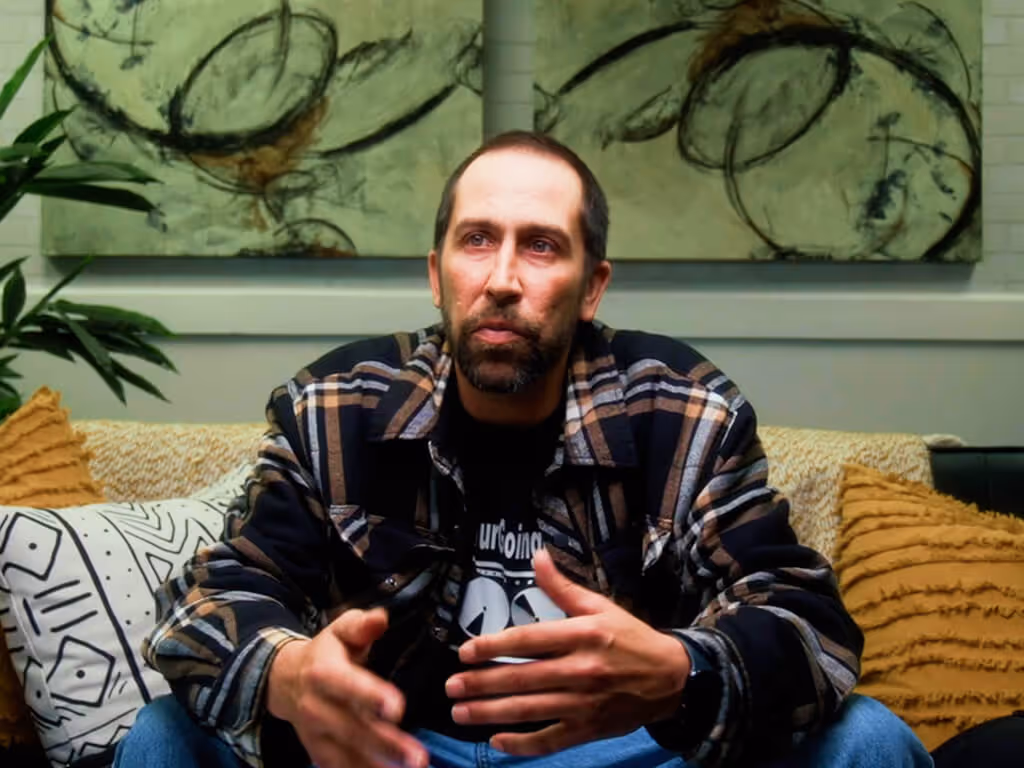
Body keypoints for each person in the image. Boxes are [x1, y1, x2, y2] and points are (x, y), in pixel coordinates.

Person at [117, 131, 933, 768]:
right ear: (436, 275)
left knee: (870, 741)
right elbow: (208, 601)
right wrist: (295, 678)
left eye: (541, 245)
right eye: (478, 241)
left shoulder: (683, 409)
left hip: (626, 753)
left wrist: (682, 672)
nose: (503, 277)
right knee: (163, 740)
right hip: (392, 749)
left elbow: (808, 626)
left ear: (593, 286)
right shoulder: (335, 406)